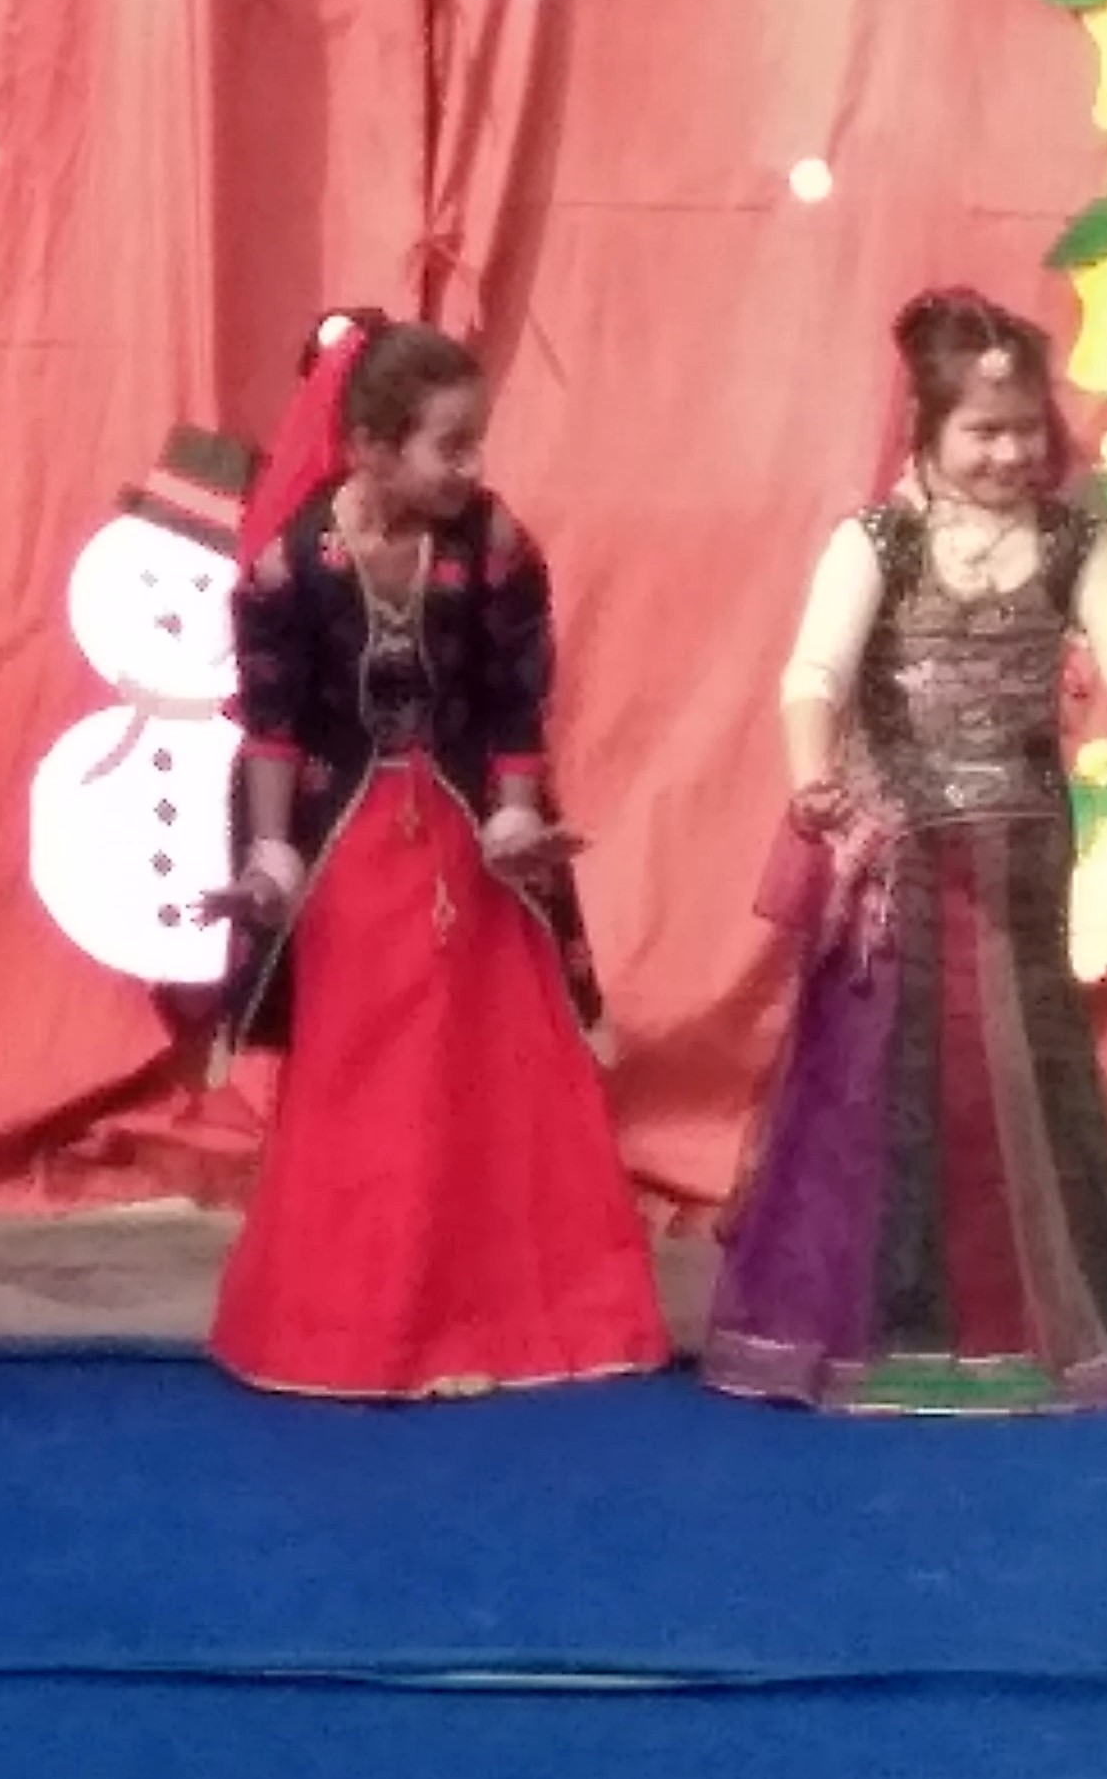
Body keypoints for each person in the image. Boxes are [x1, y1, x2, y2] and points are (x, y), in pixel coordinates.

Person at [704, 289, 1107, 1415]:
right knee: (886, 1089)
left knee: (1024, 1081)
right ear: (925, 427)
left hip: (1020, 860)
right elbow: (814, 675)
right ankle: (876, 1334)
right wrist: (811, 779)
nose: (1011, 453)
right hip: (898, 864)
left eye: (1025, 430)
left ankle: (1022, 1327)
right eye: (983, 431)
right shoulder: (877, 540)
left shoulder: (1069, 539)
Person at [177, 315, 668, 1399]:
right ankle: (359, 1330)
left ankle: (502, 1323)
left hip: (472, 850)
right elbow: (272, 727)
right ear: (368, 446)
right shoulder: (285, 568)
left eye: (476, 441)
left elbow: (513, 701)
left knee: (491, 1078)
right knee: (367, 1082)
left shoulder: (493, 546)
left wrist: (513, 824)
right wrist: (269, 861)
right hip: (347, 851)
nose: (472, 466)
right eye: (451, 445)